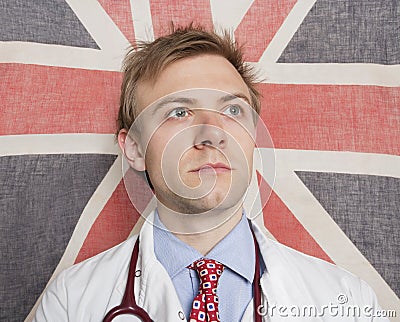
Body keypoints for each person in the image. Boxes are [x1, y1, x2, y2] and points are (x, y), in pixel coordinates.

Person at [33, 24, 388, 322]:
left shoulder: (349, 302)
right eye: (179, 113)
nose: (213, 132)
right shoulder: (70, 303)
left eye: (233, 109)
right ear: (135, 149)